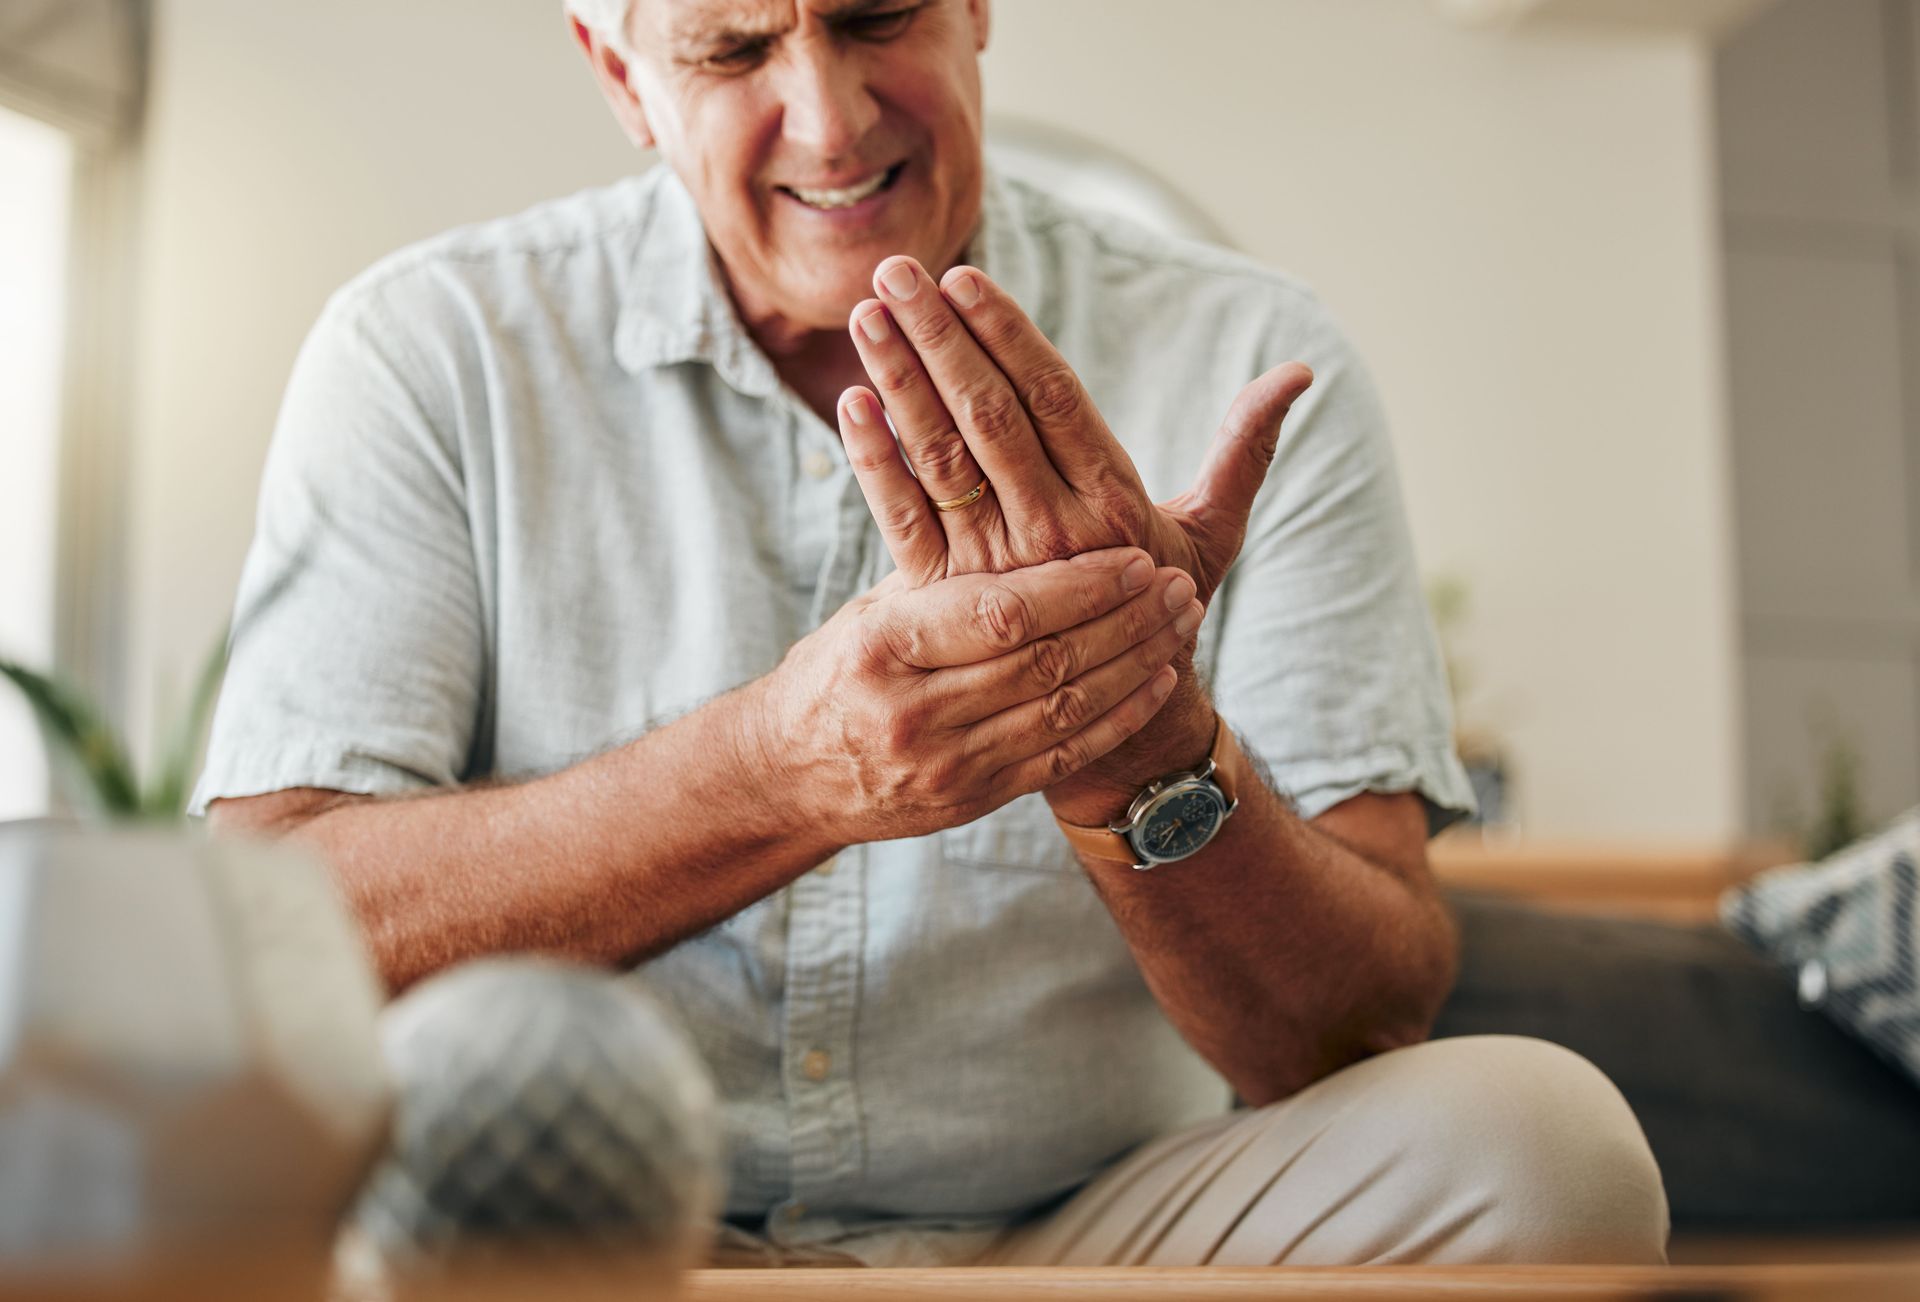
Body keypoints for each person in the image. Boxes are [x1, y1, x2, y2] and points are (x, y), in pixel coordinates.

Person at [195, 0, 1670, 1269]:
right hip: (583, 1241)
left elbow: (1353, 1033)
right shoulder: (430, 349)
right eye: (731, 46)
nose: (827, 119)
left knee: (1550, 1153)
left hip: (1090, 1233)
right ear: (618, 71)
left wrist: (1142, 746)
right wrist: (777, 772)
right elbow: (270, 934)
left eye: (877, 12)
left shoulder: (1245, 356)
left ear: (977, 6)